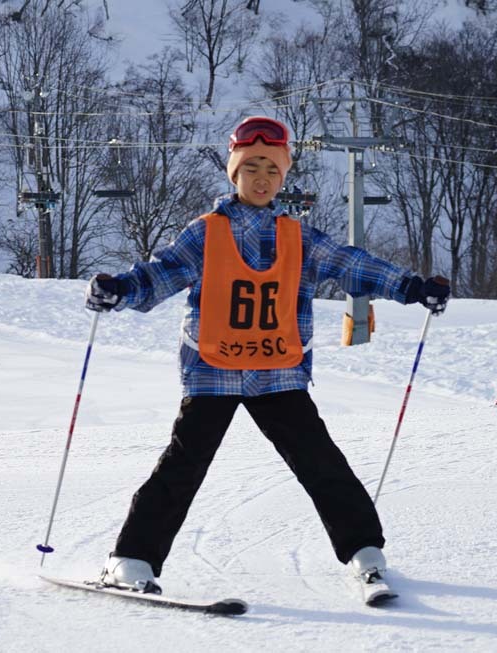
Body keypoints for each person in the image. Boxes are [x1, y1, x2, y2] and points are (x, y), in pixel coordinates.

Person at [85, 115, 451, 597]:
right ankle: (131, 560)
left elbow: (351, 264)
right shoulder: (205, 234)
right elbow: (160, 274)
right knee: (183, 466)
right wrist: (119, 289)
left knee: (321, 463)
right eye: (252, 167)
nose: (262, 179)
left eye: (272, 170)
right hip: (215, 369)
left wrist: (413, 287)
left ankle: (365, 553)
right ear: (234, 172)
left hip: (277, 371)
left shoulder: (298, 237)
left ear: (283, 177)